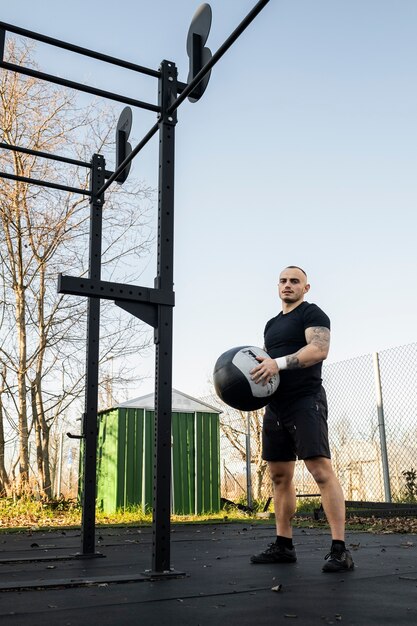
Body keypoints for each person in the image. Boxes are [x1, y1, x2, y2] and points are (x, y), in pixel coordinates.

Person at [249, 266, 354, 573]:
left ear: (306, 287)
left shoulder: (312, 314)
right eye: (282, 280)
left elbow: (318, 350)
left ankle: (340, 549)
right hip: (277, 405)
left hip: (305, 401)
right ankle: (284, 545)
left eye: (295, 281)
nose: (287, 285)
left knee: (320, 471)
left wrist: (277, 364)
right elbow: (264, 365)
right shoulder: (270, 324)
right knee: (279, 476)